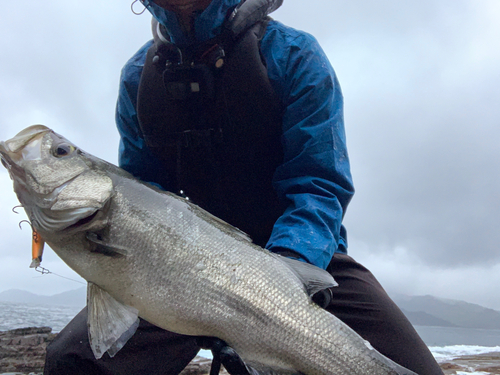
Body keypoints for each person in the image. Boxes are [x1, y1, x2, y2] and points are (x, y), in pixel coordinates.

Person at [44, 0, 444, 374]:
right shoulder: (138, 77)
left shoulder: (293, 54)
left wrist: (277, 282)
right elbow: (141, 192)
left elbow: (319, 184)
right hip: (179, 261)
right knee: (73, 360)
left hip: (303, 258)